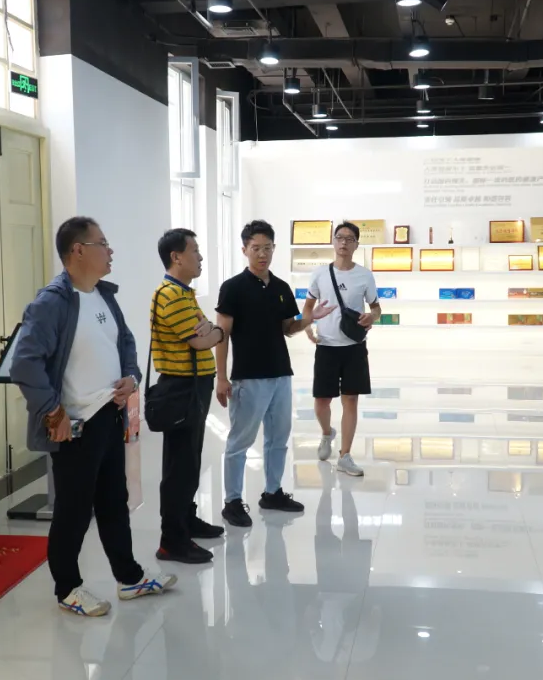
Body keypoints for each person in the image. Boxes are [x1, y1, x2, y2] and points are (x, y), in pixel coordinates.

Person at [12, 216, 174, 617]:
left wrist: (131, 376)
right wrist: (52, 412)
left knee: (113, 502)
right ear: (78, 250)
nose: (110, 250)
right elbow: (25, 364)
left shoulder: (103, 295)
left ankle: (129, 577)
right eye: (102, 243)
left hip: (109, 416)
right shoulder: (52, 303)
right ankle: (67, 588)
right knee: (73, 511)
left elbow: (125, 342)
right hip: (75, 425)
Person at [214, 220, 335, 527]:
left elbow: (288, 328)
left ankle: (272, 492)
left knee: (278, 438)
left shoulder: (281, 288)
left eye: (267, 248)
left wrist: (310, 318)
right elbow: (221, 335)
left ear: (274, 249)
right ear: (244, 249)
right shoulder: (233, 288)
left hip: (281, 374)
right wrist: (221, 377)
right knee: (240, 441)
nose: (262, 254)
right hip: (248, 377)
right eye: (256, 248)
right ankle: (232, 501)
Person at [152, 229, 226, 564]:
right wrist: (217, 332)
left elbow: (207, 329)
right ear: (176, 257)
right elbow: (202, 339)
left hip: (194, 385)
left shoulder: (185, 293)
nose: (200, 257)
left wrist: (211, 330)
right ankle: (172, 540)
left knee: (191, 460)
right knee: (179, 467)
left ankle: (187, 519)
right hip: (180, 387)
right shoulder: (170, 295)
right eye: (194, 251)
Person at [304, 222, 381, 476]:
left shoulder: (365, 275)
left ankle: (345, 455)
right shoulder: (320, 274)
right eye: (339, 237)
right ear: (333, 242)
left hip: (354, 347)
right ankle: (327, 433)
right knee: (321, 401)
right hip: (326, 346)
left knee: (351, 400)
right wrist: (307, 327)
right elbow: (308, 306)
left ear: (357, 244)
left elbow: (376, 308)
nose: (344, 242)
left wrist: (372, 317)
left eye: (349, 239)